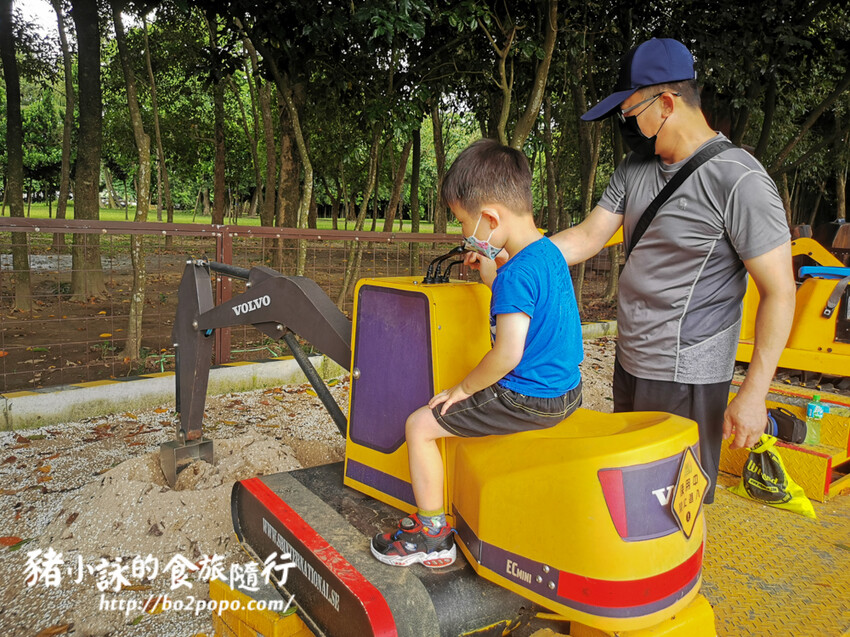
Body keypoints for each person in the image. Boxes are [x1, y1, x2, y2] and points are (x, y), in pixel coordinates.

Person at [551, 37, 796, 504]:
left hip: (688, 375)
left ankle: (680, 574)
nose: (624, 124)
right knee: (632, 488)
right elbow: (587, 237)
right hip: (632, 360)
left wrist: (753, 394)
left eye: (629, 112)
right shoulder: (635, 168)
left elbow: (780, 292)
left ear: (666, 103)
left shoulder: (739, 181)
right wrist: (522, 255)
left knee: (673, 501)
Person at [371, 139, 584, 567]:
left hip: (529, 398)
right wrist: (492, 269)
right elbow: (524, 302)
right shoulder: (547, 254)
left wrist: (461, 389)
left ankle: (432, 534)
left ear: (490, 218)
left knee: (419, 425)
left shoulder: (515, 275)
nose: (464, 235)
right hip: (568, 391)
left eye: (463, 223)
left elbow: (506, 354)